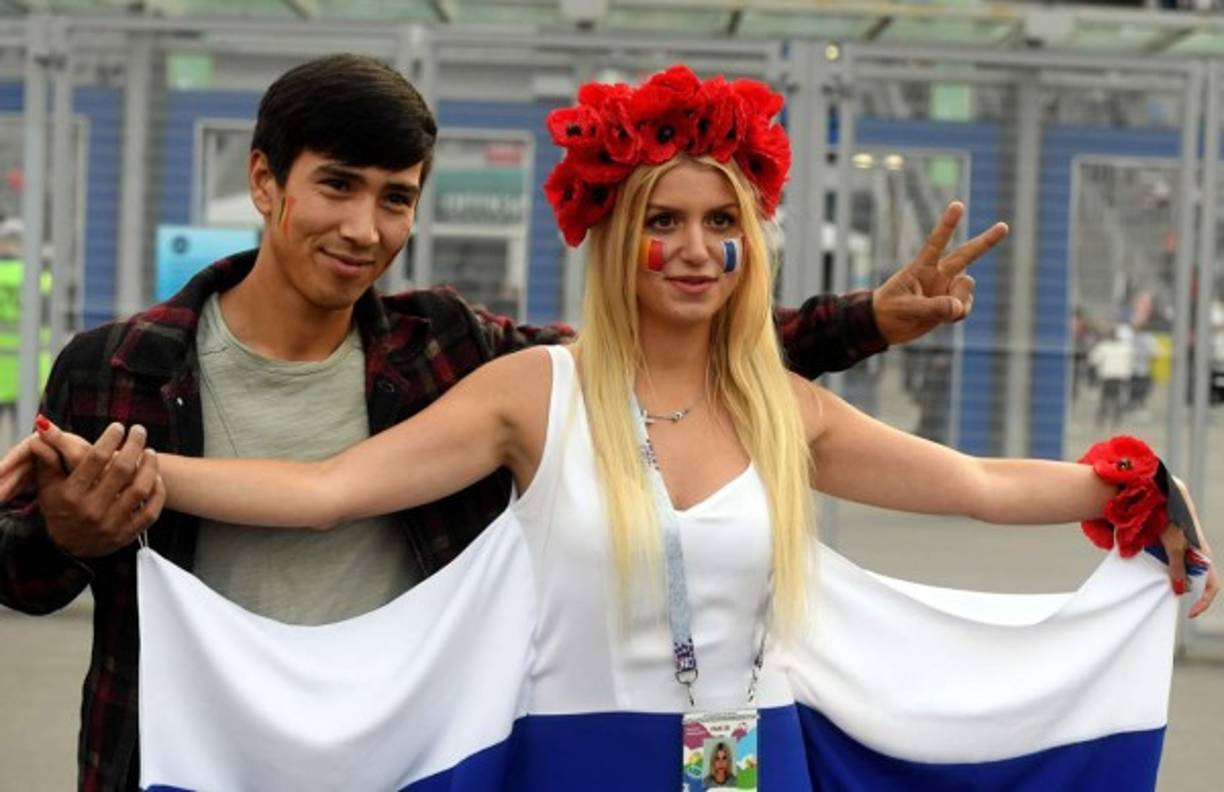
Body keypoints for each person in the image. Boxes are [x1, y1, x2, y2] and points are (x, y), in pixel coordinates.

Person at [20, 63, 1216, 790]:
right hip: (558, 762)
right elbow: (328, 489)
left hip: (747, 772)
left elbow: (977, 488)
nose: (694, 250)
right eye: (662, 222)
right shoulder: (529, 385)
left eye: (720, 221)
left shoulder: (783, 410)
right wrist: (121, 468)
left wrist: (1132, 481)